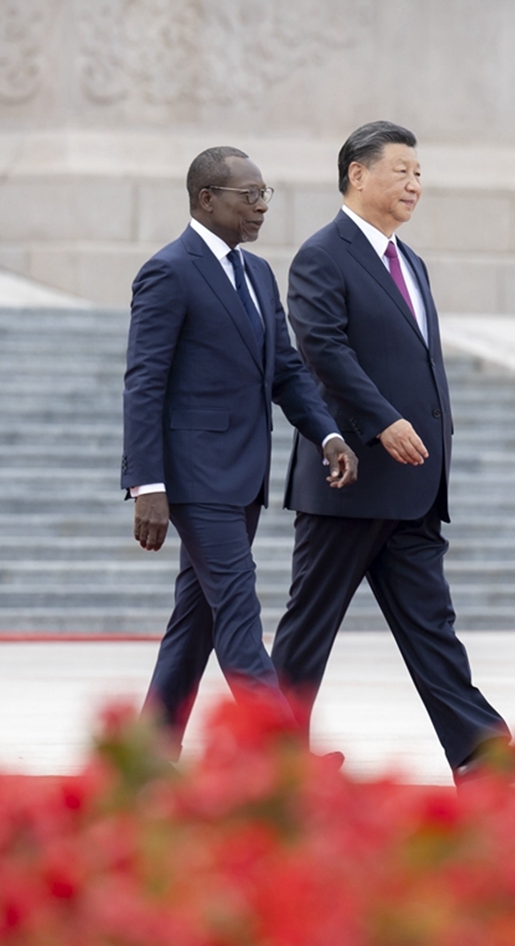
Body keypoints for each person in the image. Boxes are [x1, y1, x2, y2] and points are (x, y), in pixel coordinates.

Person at [271, 121, 515, 786]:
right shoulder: (322, 256)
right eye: (401, 171)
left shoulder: (411, 262)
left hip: (415, 484)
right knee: (309, 628)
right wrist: (382, 422)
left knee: (432, 623)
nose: (414, 185)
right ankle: (269, 758)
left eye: (419, 174)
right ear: (357, 175)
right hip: (351, 478)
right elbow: (324, 352)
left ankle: (480, 753)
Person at [121, 145, 357, 742]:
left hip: (244, 474)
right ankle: (282, 753)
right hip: (195, 478)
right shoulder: (168, 271)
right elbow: (144, 382)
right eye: (248, 196)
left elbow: (285, 371)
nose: (260, 207)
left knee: (195, 619)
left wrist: (326, 432)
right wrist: (148, 483)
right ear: (207, 200)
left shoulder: (256, 273)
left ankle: (150, 752)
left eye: (264, 195)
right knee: (238, 611)